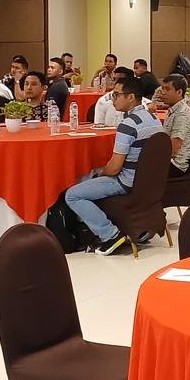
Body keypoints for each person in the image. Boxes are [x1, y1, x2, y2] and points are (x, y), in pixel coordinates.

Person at [63, 77, 163, 256]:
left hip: (127, 182)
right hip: (149, 182)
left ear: (131, 97)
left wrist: (101, 173)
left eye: (116, 95)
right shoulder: (153, 118)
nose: (112, 99)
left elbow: (114, 168)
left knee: (73, 194)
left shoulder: (128, 125)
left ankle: (110, 234)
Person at [157, 74, 190, 177]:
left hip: (175, 165)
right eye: (162, 88)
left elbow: (174, 148)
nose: (163, 92)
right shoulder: (174, 109)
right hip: (168, 160)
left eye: (167, 89)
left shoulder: (182, 114)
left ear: (179, 92)